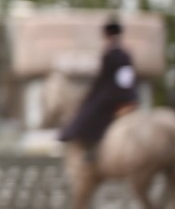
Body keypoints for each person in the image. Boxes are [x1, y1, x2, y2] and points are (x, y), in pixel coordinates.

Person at [59, 17, 139, 163]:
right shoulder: (126, 53)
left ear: (107, 34)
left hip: (115, 97)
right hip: (130, 96)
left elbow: (103, 80)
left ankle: (91, 148)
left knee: (89, 113)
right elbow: (127, 78)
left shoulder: (110, 54)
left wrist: (91, 95)